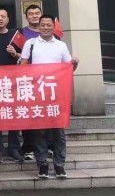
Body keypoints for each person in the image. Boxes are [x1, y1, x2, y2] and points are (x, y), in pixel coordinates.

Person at [20, 15, 79, 180]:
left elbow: (68, 69)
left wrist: (75, 63)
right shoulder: (30, 43)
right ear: (38, 27)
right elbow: (22, 67)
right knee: (39, 131)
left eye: (48, 25)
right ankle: (42, 164)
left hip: (56, 95)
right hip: (37, 94)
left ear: (54, 27)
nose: (45, 27)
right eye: (43, 25)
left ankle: (59, 165)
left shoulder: (61, 45)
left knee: (58, 132)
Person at [0, 8, 24, 162]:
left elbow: (26, 58)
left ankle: (14, 148)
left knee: (14, 115)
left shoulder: (16, 35)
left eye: (3, 16)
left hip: (13, 82)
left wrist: (15, 54)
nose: (0, 19)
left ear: (8, 19)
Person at [18, 4, 43, 161]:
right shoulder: (21, 33)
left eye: (37, 13)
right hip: (27, 81)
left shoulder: (50, 32)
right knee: (28, 115)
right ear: (26, 17)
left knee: (44, 114)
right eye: (31, 13)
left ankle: (47, 147)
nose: (34, 16)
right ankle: (28, 148)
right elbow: (17, 55)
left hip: (45, 81)